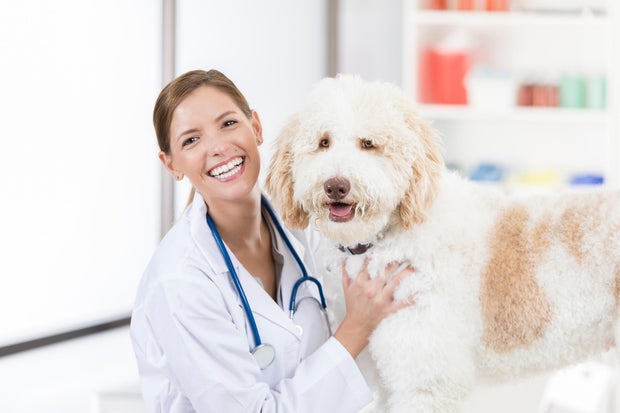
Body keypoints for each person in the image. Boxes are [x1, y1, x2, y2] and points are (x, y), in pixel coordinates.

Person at [130, 69, 413, 413]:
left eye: (228, 123)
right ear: (171, 164)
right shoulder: (180, 282)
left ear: (257, 128)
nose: (218, 147)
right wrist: (355, 328)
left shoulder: (300, 221)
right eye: (191, 140)